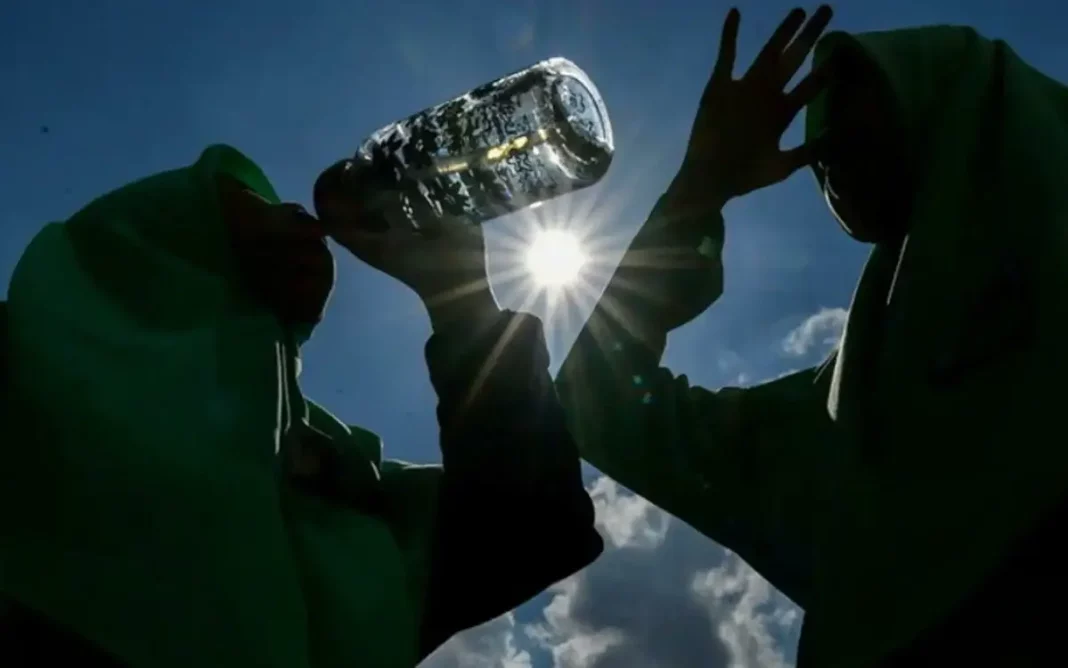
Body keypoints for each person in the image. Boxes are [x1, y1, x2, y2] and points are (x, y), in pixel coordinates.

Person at [557, 5, 1068, 666]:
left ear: (971, 121)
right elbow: (598, 402)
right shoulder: (842, 427)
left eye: (850, 124)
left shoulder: (844, 435)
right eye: (823, 149)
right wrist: (698, 188)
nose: (820, 160)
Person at [0, 144, 604, 668]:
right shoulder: (21, 373)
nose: (292, 209)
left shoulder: (325, 475)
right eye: (239, 199)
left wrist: (458, 298)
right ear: (142, 248)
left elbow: (533, 531)